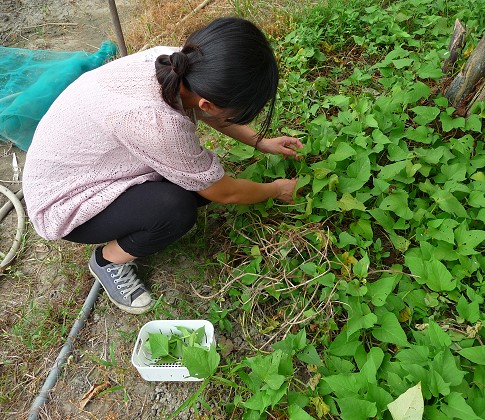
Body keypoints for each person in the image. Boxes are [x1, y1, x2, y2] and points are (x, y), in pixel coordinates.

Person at [22, 17, 303, 315]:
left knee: (193, 186)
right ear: (208, 102)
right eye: (237, 113)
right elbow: (224, 192)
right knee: (177, 208)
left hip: (82, 159)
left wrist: (260, 141)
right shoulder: (159, 124)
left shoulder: (181, 62)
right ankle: (107, 261)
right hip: (64, 199)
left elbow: (211, 112)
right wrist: (276, 189)